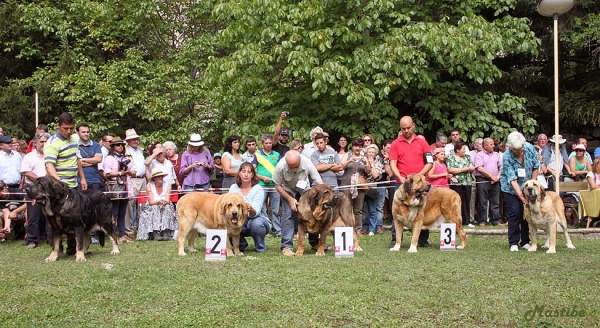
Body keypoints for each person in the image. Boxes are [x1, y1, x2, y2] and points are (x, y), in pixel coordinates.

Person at [43, 112, 87, 255]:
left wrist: (82, 178)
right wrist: (58, 182)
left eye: (71, 128)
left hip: (73, 185)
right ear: (58, 126)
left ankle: (73, 248)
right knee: (55, 218)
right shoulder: (52, 143)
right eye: (65, 128)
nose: (68, 131)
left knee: (74, 216)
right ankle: (57, 248)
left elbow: (77, 160)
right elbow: (49, 166)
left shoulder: (74, 139)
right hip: (57, 188)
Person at [388, 116, 433, 248]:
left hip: (420, 183)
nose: (406, 131)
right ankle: (395, 240)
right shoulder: (396, 143)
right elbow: (392, 163)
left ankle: (422, 240)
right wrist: (400, 177)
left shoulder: (422, 142)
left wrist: (421, 176)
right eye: (403, 129)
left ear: (413, 125)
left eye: (408, 128)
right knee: (396, 212)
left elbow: (430, 162)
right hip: (402, 183)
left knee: (421, 212)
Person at [272, 150, 323, 256]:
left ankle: (314, 243)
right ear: (286, 163)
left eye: (296, 166)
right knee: (288, 213)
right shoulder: (280, 166)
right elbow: (277, 185)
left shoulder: (307, 163)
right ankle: (286, 246)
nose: (294, 169)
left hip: (304, 189)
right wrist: (290, 199)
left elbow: (319, 182)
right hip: (287, 189)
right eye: (291, 167)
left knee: (310, 213)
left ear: (300, 160)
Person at [500, 131, 539, 252]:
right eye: (516, 150)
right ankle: (513, 242)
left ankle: (525, 241)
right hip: (510, 188)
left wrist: (533, 184)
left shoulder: (530, 148)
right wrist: (521, 196)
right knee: (515, 212)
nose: (519, 152)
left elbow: (536, 166)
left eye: (521, 148)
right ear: (511, 147)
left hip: (528, 185)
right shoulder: (507, 156)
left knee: (526, 213)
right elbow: (512, 179)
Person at [229, 162, 271, 252]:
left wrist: (251, 209)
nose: (246, 174)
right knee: (225, 222)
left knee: (256, 224)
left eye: (249, 172)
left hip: (256, 219)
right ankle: (241, 244)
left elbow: (255, 213)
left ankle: (260, 247)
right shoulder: (233, 188)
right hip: (238, 219)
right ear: (239, 173)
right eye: (243, 171)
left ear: (253, 175)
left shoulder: (258, 189)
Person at [20, 132, 50, 248]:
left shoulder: (51, 155)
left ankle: (50, 238)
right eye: (41, 142)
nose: (43, 144)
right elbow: (26, 172)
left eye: (46, 141)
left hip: (48, 190)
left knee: (50, 215)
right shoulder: (29, 156)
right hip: (34, 189)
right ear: (36, 143)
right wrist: (40, 180)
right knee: (33, 216)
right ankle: (32, 240)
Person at [104, 137, 136, 244]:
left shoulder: (126, 158)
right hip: (114, 188)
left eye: (122, 144)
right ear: (113, 147)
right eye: (117, 145)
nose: (120, 146)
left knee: (122, 212)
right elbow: (107, 173)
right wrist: (120, 173)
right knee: (114, 212)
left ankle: (122, 235)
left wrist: (127, 172)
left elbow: (134, 172)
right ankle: (113, 235)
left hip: (126, 186)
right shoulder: (109, 158)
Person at [340, 138, 371, 235]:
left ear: (362, 147)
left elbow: (368, 172)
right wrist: (349, 161)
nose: (357, 148)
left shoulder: (364, 157)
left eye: (359, 146)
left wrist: (366, 162)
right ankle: (347, 228)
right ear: (352, 147)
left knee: (358, 209)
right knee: (346, 207)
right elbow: (340, 167)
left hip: (360, 185)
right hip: (347, 184)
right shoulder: (347, 155)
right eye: (355, 146)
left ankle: (358, 229)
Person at [137, 168, 177, 241]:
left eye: (161, 176)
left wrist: (163, 202)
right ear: (154, 178)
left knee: (167, 207)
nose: (161, 178)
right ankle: (156, 232)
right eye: (158, 176)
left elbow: (167, 199)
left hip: (165, 204)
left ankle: (165, 231)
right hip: (152, 205)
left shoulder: (168, 185)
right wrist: (158, 202)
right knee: (155, 207)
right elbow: (151, 202)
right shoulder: (149, 186)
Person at [255, 134, 281, 236]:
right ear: (262, 144)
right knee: (262, 208)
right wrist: (262, 178)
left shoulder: (277, 154)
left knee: (276, 209)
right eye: (266, 143)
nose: (269, 145)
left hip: (275, 185)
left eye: (270, 143)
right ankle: (266, 229)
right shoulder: (257, 155)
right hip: (262, 184)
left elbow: (280, 169)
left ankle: (277, 230)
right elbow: (253, 171)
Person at [473, 138, 503, 226]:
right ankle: (483, 220)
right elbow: (479, 168)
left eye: (493, 144)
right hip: (483, 180)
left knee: (495, 201)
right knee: (482, 201)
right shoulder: (479, 155)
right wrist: (491, 177)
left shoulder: (497, 154)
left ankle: (496, 220)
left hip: (496, 181)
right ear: (485, 146)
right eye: (491, 144)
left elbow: (501, 167)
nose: (493, 146)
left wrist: (497, 177)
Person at [124, 128, 146, 238]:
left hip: (142, 179)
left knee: (142, 204)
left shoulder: (140, 150)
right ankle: (128, 230)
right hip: (132, 179)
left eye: (136, 139)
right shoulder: (125, 151)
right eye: (132, 139)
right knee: (130, 204)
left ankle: (140, 227)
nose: (135, 141)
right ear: (127, 141)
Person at [447, 141, 475, 227]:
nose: (465, 151)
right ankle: (456, 219)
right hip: (456, 184)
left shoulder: (467, 157)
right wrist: (464, 169)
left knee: (467, 201)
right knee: (456, 202)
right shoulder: (451, 158)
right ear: (457, 150)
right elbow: (450, 170)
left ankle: (467, 220)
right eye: (463, 149)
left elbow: (472, 167)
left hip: (467, 182)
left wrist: (461, 169)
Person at [0, 135, 23, 235]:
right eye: (8, 143)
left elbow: (22, 171)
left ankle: (19, 232)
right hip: (3, 188)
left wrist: (22, 183)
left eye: (11, 143)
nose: (11, 145)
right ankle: (4, 232)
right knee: (5, 209)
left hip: (17, 186)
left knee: (17, 207)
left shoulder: (17, 155)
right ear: (1, 146)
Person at [362, 143, 383, 236]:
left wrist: (371, 164)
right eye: (369, 152)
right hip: (361, 187)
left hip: (372, 189)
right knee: (362, 209)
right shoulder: (362, 161)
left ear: (376, 154)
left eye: (372, 152)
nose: (370, 154)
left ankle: (372, 229)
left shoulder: (378, 163)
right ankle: (363, 227)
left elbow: (375, 175)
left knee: (372, 209)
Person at [76, 124, 103, 191]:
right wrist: (92, 162)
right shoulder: (74, 146)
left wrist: (83, 160)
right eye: (83, 132)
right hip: (79, 180)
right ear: (77, 133)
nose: (86, 134)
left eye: (88, 132)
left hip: (94, 180)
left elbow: (99, 159)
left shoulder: (96, 145)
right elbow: (76, 163)